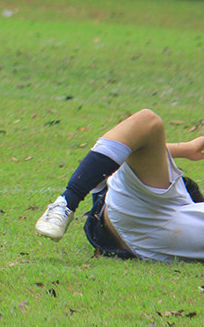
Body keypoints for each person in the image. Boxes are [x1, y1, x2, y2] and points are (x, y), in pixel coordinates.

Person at [36, 108, 204, 262]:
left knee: (146, 121)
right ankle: (67, 202)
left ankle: (76, 196)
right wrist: (186, 149)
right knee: (146, 122)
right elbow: (140, 146)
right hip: (156, 215)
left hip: (149, 221)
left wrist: (184, 149)